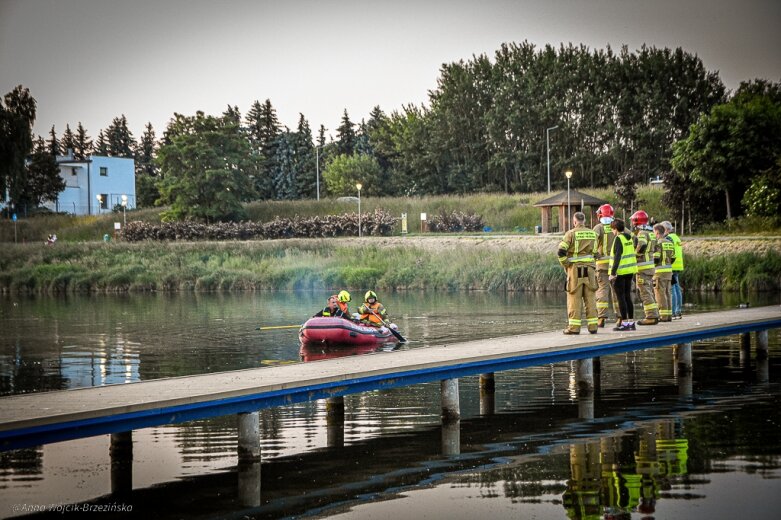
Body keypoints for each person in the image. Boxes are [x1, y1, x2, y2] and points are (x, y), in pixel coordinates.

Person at [557, 211, 599, 335]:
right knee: (590, 299)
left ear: (574, 221)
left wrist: (566, 264)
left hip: (575, 271)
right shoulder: (593, 234)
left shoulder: (570, 234)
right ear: (584, 221)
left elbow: (560, 252)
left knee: (574, 299)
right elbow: (595, 253)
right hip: (590, 271)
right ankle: (593, 327)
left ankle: (574, 328)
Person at [630, 211, 659, 325]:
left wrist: (635, 255)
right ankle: (654, 314)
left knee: (644, 292)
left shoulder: (642, 232)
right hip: (650, 266)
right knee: (649, 290)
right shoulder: (651, 232)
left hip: (643, 267)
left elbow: (641, 245)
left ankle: (651, 316)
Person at [609, 219, 638, 331]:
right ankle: (631, 323)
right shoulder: (628, 237)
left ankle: (624, 324)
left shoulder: (618, 239)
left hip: (620, 272)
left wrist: (612, 273)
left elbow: (617, 256)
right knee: (627, 297)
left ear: (615, 229)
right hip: (630, 271)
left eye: (612, 229)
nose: (612, 232)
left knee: (621, 298)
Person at [593, 204, 619, 327]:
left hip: (602, 264)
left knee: (602, 289)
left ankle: (601, 318)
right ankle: (620, 317)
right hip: (616, 264)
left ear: (600, 215)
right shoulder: (618, 226)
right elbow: (632, 238)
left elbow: (592, 241)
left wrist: (595, 254)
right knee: (616, 291)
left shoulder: (598, 227)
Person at [653, 223, 676, 322]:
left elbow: (656, 258)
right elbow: (674, 257)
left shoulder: (658, 243)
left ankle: (663, 316)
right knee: (667, 293)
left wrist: (652, 266)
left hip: (659, 272)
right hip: (669, 271)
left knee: (660, 294)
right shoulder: (670, 243)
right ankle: (669, 315)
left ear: (657, 233)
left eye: (654, 233)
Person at [663, 221, 685, 319]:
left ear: (666, 230)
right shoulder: (676, 237)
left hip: (672, 265)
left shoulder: (668, 238)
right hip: (678, 264)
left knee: (672, 290)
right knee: (677, 288)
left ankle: (673, 312)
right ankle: (678, 311)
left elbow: (669, 252)